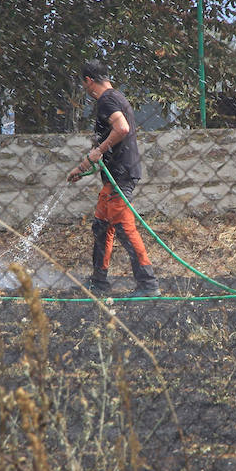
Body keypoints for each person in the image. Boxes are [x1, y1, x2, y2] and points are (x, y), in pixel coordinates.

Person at [66, 60, 160, 296]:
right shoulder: (115, 97)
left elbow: (122, 128)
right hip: (115, 175)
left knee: (124, 228)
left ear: (88, 81)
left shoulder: (107, 100)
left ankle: (148, 284)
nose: (84, 87)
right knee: (101, 226)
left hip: (121, 174)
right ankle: (99, 282)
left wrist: (99, 150)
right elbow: (107, 139)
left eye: (83, 82)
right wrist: (83, 165)